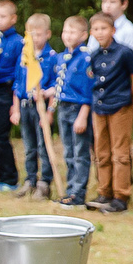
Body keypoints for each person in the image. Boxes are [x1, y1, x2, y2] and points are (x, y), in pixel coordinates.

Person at [82, 10, 133, 213]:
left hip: (120, 106)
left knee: (120, 152)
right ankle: (104, 192)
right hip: (100, 106)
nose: (100, 33)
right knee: (101, 151)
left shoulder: (124, 53)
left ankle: (121, 195)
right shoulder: (94, 55)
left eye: (104, 28)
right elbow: (94, 80)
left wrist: (132, 105)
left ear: (113, 30)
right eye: (96, 29)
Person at [0, 0, 30, 191]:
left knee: (1, 134)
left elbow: (19, 71)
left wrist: (15, 96)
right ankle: (0, 175)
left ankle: (10, 177)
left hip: (6, 90)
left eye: (2, 16)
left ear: (13, 18)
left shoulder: (18, 42)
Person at [53, 14, 95, 206]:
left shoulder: (86, 58)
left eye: (72, 32)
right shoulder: (62, 57)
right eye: (65, 31)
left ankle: (78, 193)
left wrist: (83, 115)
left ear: (84, 35)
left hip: (78, 109)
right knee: (68, 152)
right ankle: (70, 190)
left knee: (80, 152)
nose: (68, 35)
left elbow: (88, 90)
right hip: (63, 108)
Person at [18, 12, 57, 196]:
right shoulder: (25, 56)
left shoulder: (52, 57)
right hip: (25, 106)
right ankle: (30, 179)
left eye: (39, 34)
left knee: (43, 146)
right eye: (31, 34)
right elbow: (18, 82)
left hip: (41, 108)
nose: (34, 38)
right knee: (29, 146)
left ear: (48, 34)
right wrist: (14, 105)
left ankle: (45, 182)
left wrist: (50, 110)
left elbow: (57, 85)